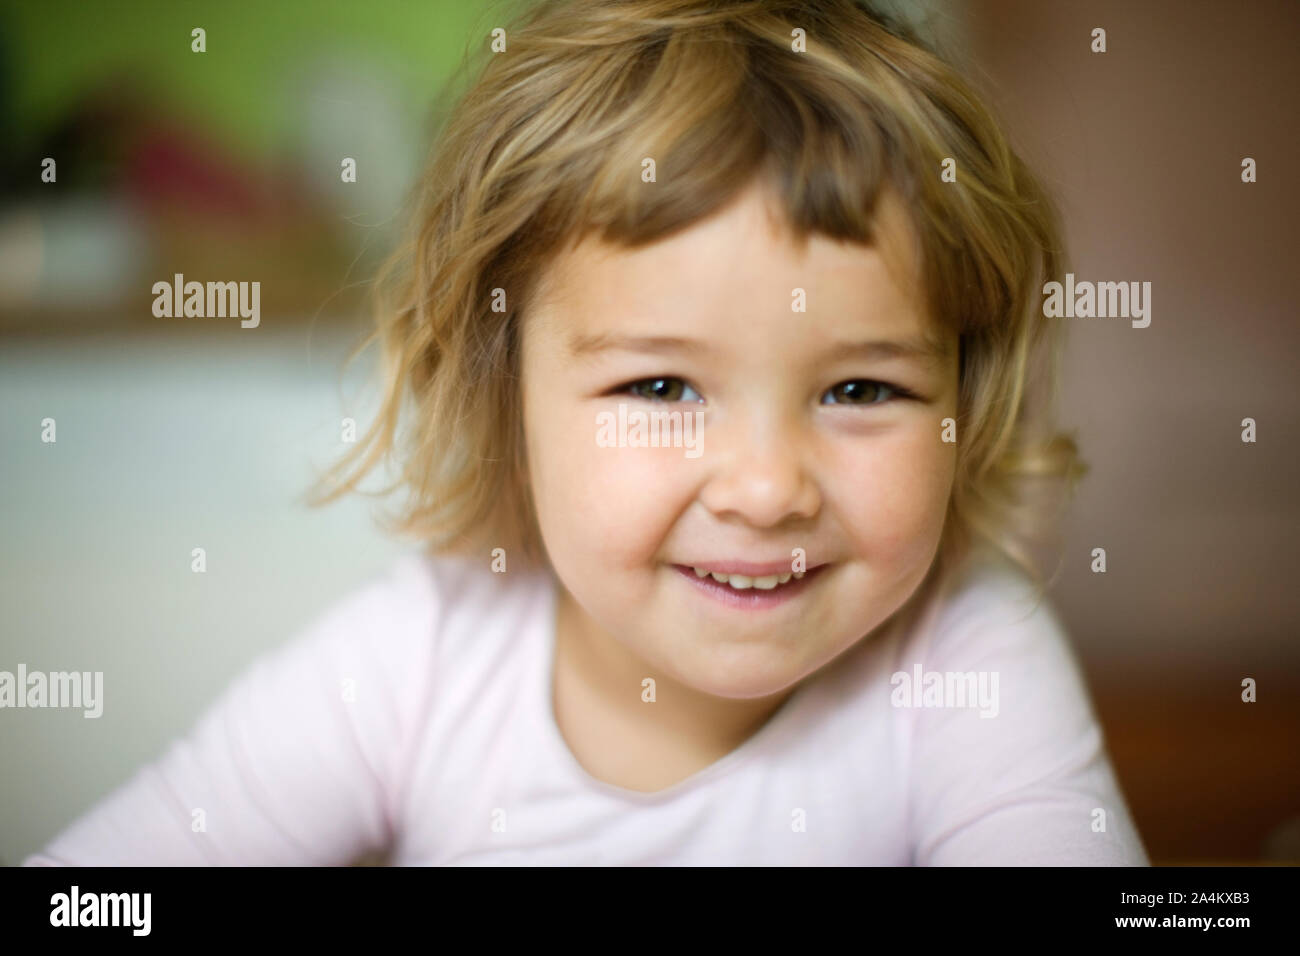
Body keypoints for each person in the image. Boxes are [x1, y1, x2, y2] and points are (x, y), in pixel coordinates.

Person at [24, 0, 1148, 866]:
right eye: (661, 388)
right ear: (500, 391)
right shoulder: (419, 659)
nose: (766, 488)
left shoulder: (962, 660)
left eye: (860, 390)